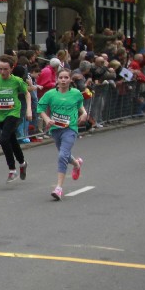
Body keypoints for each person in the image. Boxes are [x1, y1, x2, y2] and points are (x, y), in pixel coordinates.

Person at [0, 55, 33, 182]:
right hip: (0, 114)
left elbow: (27, 93)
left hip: (13, 113)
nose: (3, 72)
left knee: (4, 140)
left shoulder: (16, 81)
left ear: (11, 68)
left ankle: (12, 170)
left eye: (5, 69)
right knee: (12, 140)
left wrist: (29, 109)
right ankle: (22, 163)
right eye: (0, 69)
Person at [37, 68, 88, 201]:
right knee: (63, 154)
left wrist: (84, 113)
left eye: (66, 78)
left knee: (62, 155)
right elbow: (40, 108)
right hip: (56, 129)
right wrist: (47, 119)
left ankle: (58, 188)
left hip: (70, 128)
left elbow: (80, 105)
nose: (63, 80)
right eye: (61, 78)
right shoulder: (50, 94)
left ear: (70, 80)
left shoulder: (76, 93)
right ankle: (76, 164)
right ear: (57, 79)